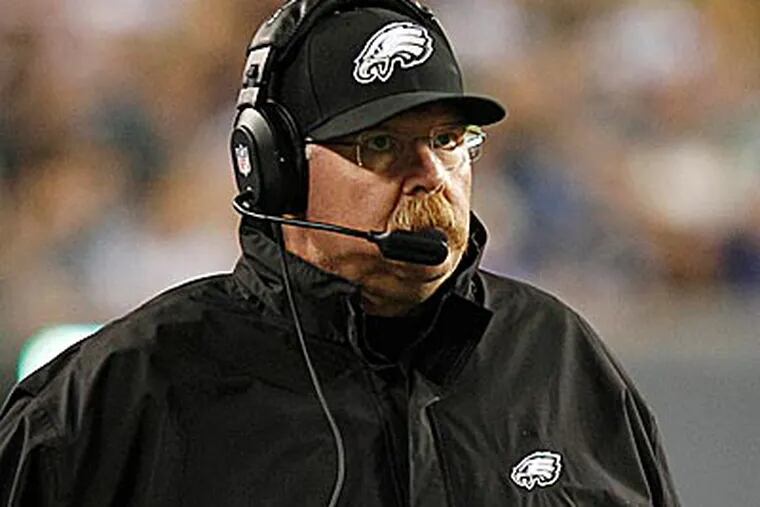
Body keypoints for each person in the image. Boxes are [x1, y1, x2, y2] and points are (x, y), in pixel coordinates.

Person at [0, 0, 681, 505]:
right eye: (380, 145)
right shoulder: (119, 397)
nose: (432, 176)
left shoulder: (559, 360)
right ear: (275, 170)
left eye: (448, 140)